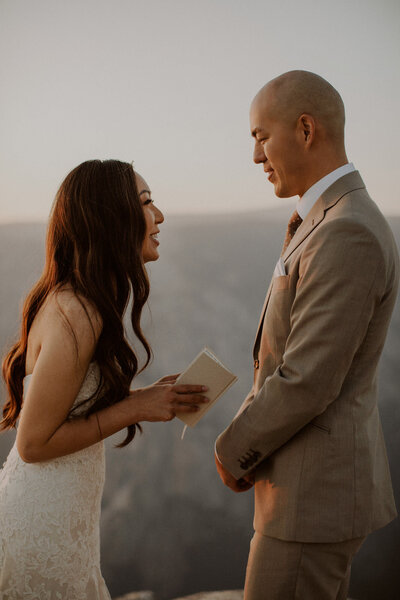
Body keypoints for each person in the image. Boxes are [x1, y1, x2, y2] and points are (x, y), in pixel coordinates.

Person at [215, 71, 399, 600]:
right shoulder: (327, 218)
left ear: (304, 129)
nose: (255, 156)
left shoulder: (347, 230)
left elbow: (308, 378)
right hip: (311, 496)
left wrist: (233, 450)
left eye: (260, 136)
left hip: (311, 503)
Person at [0, 159, 208, 599]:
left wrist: (144, 397)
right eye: (147, 203)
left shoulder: (82, 299)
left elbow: (66, 403)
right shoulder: (78, 312)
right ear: (111, 217)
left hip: (60, 517)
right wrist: (133, 408)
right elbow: (32, 443)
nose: (161, 216)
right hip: (46, 526)